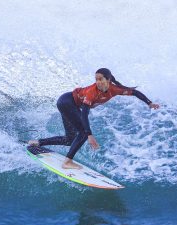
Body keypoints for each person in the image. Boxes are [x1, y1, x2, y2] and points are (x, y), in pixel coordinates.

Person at [28, 68, 160, 169]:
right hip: (67, 102)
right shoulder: (92, 92)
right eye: (96, 79)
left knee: (70, 139)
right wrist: (89, 135)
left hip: (68, 104)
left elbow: (134, 92)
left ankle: (37, 142)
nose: (98, 82)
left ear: (108, 80)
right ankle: (67, 162)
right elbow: (84, 113)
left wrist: (149, 103)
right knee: (83, 133)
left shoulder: (114, 89)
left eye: (100, 79)